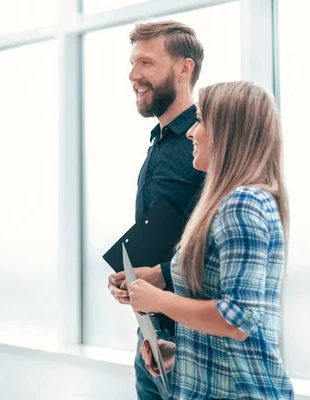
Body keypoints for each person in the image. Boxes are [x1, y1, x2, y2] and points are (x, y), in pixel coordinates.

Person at [129, 81, 294, 400]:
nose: (191, 132)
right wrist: (179, 355)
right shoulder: (236, 203)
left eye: (201, 120)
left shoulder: (242, 204)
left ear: (228, 132)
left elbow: (238, 318)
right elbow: (232, 340)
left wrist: (157, 301)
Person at [106, 21, 205, 400]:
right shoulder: (159, 144)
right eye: (133, 63)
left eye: (146, 63)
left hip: (191, 344)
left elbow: (215, 245)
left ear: (185, 68)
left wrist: (161, 275)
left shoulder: (205, 146)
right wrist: (129, 280)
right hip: (149, 336)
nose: (133, 75)